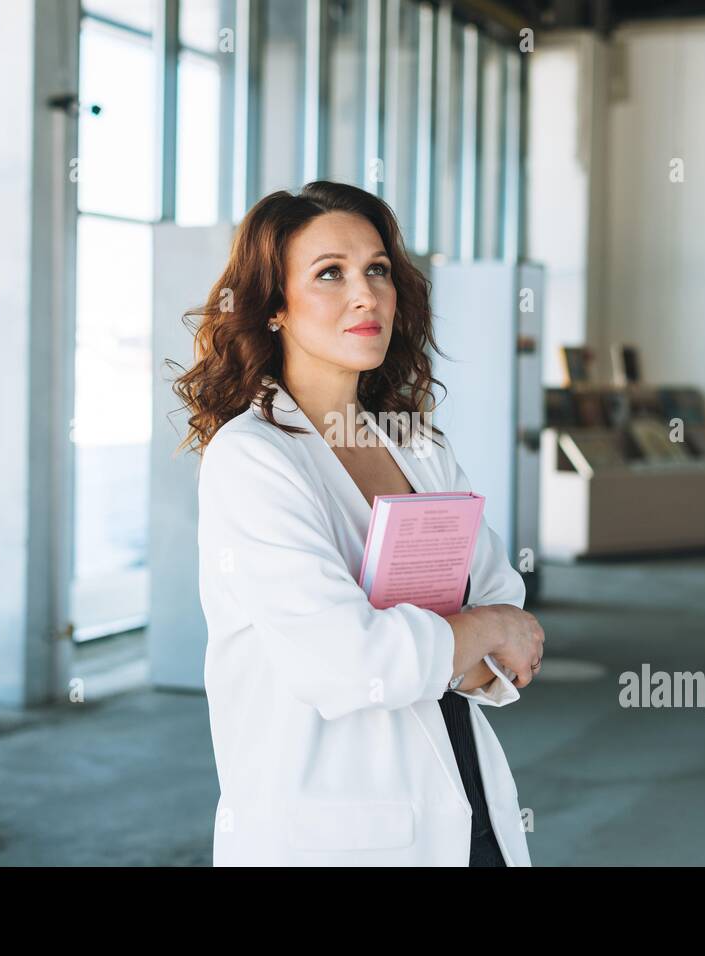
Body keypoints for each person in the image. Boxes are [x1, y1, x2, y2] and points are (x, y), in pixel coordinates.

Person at [174, 180, 545, 866]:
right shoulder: (253, 459)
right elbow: (345, 662)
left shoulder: (417, 445)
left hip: (466, 812)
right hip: (334, 831)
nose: (365, 295)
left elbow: (500, 599)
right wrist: (477, 634)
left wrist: (467, 640)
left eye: (377, 269)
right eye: (329, 274)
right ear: (275, 308)